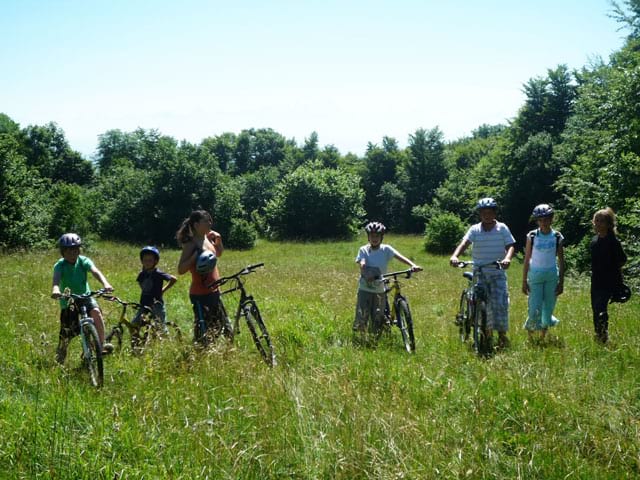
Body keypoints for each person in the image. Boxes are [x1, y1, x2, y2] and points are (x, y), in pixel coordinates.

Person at [450, 198, 516, 350]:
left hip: (497, 272)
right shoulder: (474, 229)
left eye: (490, 212)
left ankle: (501, 336)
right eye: (484, 212)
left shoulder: (502, 228)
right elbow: (464, 243)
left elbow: (510, 245)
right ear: (480, 214)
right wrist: (455, 256)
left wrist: (507, 259)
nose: (487, 215)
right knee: (479, 302)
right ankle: (483, 331)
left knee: (500, 305)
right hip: (479, 272)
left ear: (494, 213)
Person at [51, 233, 114, 364]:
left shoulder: (83, 261)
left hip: (86, 296)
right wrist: (56, 289)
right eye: (68, 250)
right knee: (67, 332)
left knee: (96, 313)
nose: (72, 253)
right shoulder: (60, 265)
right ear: (63, 252)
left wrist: (105, 283)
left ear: (79, 250)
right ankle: (62, 351)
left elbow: (95, 271)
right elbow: (56, 280)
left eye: (75, 250)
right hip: (69, 300)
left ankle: (100, 346)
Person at [354, 221, 422, 340]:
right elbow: (362, 263)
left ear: (381, 237)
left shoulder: (386, 249)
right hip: (365, 288)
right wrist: (365, 272)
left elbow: (399, 256)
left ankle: (376, 339)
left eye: (377, 236)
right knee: (362, 315)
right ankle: (361, 339)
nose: (374, 238)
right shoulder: (363, 250)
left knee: (378, 316)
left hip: (380, 288)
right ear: (368, 237)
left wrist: (412, 265)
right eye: (372, 236)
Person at [176, 210, 227, 343]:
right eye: (206, 221)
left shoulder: (208, 238)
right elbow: (181, 269)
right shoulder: (190, 244)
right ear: (196, 224)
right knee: (203, 330)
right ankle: (199, 353)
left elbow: (218, 253)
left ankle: (211, 352)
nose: (210, 223)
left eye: (210, 220)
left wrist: (219, 239)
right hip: (200, 294)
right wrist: (194, 256)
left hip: (214, 290)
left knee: (219, 325)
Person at [522, 204, 565, 341]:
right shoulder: (532, 236)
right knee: (535, 306)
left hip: (552, 276)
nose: (543, 223)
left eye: (546, 219)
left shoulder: (557, 236)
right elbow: (527, 258)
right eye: (540, 220)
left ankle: (542, 336)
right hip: (535, 275)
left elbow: (561, 260)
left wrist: (561, 282)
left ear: (552, 219)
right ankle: (530, 335)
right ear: (537, 221)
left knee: (548, 307)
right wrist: (524, 281)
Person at [590, 207, 627, 344]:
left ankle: (603, 335)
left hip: (609, 281)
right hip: (596, 281)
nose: (598, 224)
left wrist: (613, 273)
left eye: (602, 221)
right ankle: (598, 334)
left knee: (601, 308)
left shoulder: (613, 242)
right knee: (595, 308)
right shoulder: (594, 241)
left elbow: (622, 259)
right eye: (596, 220)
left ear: (609, 224)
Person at [133, 246, 177, 333]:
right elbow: (140, 282)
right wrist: (145, 290)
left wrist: (163, 290)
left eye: (150, 260)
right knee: (135, 323)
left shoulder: (158, 273)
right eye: (145, 260)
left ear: (155, 261)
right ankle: (137, 342)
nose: (147, 263)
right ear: (142, 261)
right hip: (144, 303)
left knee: (160, 327)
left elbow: (173, 279)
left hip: (157, 304)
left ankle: (165, 340)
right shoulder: (142, 274)